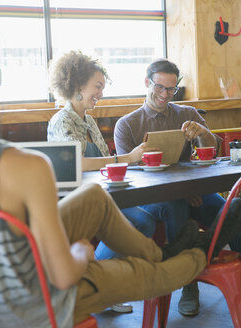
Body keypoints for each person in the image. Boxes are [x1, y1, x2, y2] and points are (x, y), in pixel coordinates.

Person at [0, 29, 241, 327]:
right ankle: (196, 252)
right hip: (34, 306)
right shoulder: (24, 166)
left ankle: (162, 251)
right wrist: (82, 253)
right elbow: (64, 274)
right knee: (150, 275)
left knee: (95, 199)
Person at [114, 57, 241, 328]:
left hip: (195, 193)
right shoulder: (127, 124)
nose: (165, 95)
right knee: (184, 208)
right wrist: (180, 189)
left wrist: (202, 133)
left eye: (171, 89)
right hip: (156, 201)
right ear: (146, 83)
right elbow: (128, 176)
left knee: (232, 213)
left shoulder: (186, 113)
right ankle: (189, 283)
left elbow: (212, 149)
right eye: (160, 88)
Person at [46, 50, 159, 313]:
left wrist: (127, 161)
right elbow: (79, 163)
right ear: (77, 86)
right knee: (142, 222)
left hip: (104, 194)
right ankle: (96, 286)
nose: (101, 93)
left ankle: (99, 286)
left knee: (147, 220)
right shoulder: (61, 121)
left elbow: (106, 160)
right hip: (77, 200)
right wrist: (127, 158)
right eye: (97, 86)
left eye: (102, 88)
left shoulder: (89, 121)